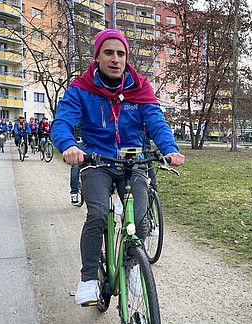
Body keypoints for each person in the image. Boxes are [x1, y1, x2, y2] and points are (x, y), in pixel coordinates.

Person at [51, 29, 185, 306]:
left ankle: (131, 266)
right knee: (98, 214)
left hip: (132, 161)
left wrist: (169, 148)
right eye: (109, 53)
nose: (115, 59)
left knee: (140, 218)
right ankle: (88, 279)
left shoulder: (140, 87)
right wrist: (69, 146)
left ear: (127, 57)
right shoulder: (81, 88)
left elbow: (156, 122)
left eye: (121, 53)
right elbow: (62, 122)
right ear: (97, 56)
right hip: (96, 162)